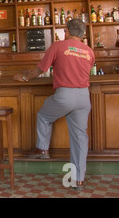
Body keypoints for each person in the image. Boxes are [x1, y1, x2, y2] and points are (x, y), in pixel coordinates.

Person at [13, 19, 95, 191]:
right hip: (84, 97)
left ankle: (42, 149)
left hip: (65, 94)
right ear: (83, 34)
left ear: (66, 31)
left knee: (43, 115)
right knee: (80, 138)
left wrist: (25, 77)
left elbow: (41, 69)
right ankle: (78, 180)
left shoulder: (58, 46)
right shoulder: (89, 51)